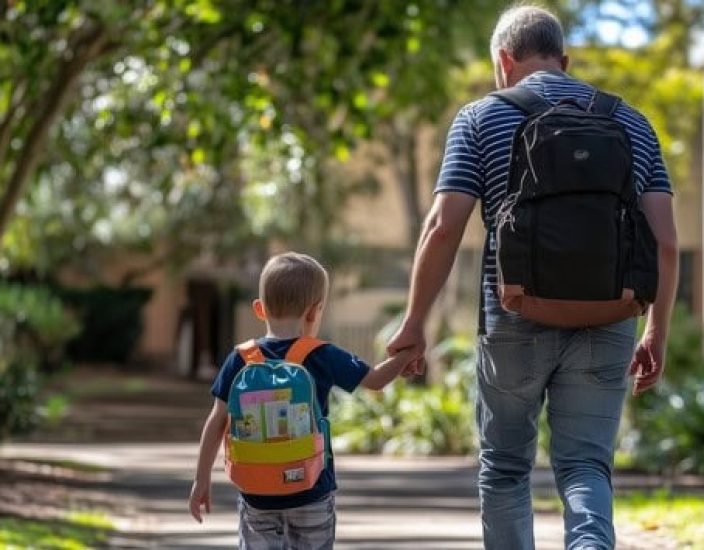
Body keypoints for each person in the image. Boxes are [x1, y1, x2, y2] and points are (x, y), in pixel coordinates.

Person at [387, 5, 678, 550]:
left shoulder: (480, 118)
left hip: (513, 316)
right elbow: (664, 240)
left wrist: (414, 323)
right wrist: (656, 332)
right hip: (610, 315)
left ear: (503, 61)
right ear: (563, 61)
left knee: (504, 468)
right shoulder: (632, 122)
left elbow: (442, 229)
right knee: (586, 465)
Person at [189, 252, 413, 550]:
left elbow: (217, 421)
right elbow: (376, 380)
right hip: (311, 492)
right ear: (313, 312)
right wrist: (407, 354)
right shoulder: (322, 355)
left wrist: (201, 479)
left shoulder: (240, 359)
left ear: (260, 308)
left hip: (257, 495)